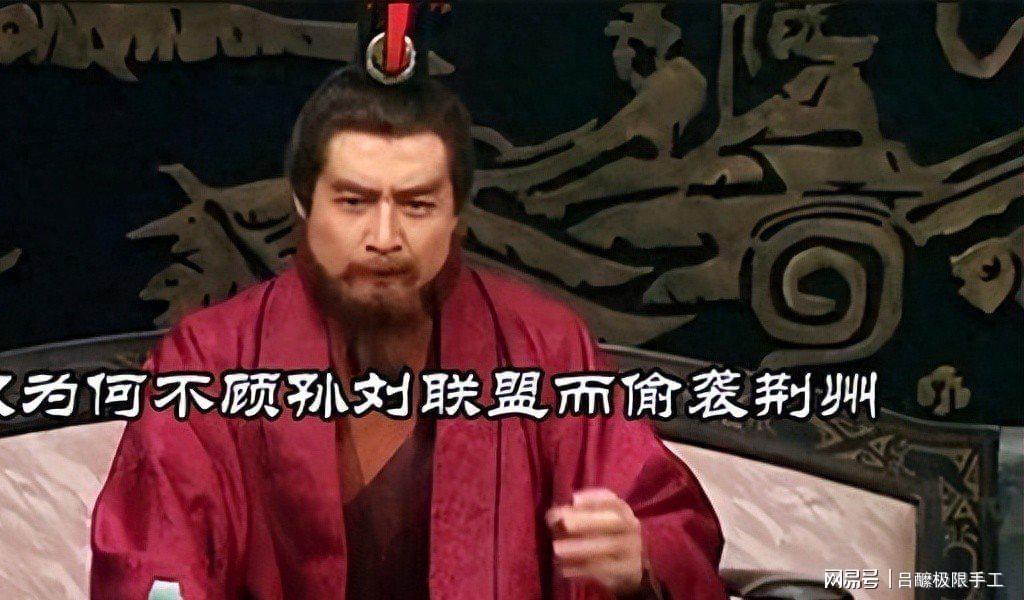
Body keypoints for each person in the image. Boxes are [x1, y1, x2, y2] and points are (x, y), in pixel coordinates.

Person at [91, 66, 726, 599]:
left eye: (417, 205)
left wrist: (641, 559)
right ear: (302, 204)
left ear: (457, 215)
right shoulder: (209, 362)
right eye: (353, 201)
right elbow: (156, 553)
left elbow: (668, 521)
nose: (384, 238)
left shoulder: (544, 350)